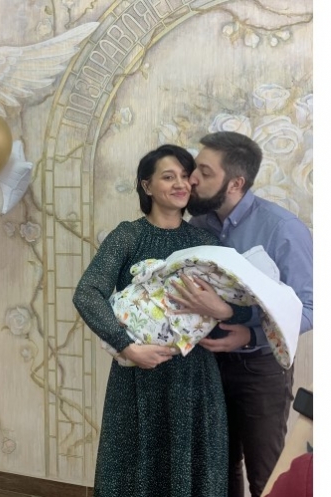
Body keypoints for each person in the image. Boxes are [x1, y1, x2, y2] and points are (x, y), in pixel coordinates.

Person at [71, 145, 251, 497]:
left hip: (195, 377)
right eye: (169, 177)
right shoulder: (129, 236)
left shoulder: (205, 242)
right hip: (138, 376)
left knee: (192, 469)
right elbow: (87, 293)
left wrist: (224, 310)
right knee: (135, 470)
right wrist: (126, 346)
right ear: (147, 186)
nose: (180, 184)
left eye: (185, 176)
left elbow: (244, 304)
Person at [182, 131, 313, 497]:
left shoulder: (282, 229)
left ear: (236, 183)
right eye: (195, 169)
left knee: (265, 475)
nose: (193, 179)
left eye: (205, 172)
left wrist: (251, 334)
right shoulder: (198, 227)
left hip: (260, 368)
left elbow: (311, 307)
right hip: (207, 365)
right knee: (218, 469)